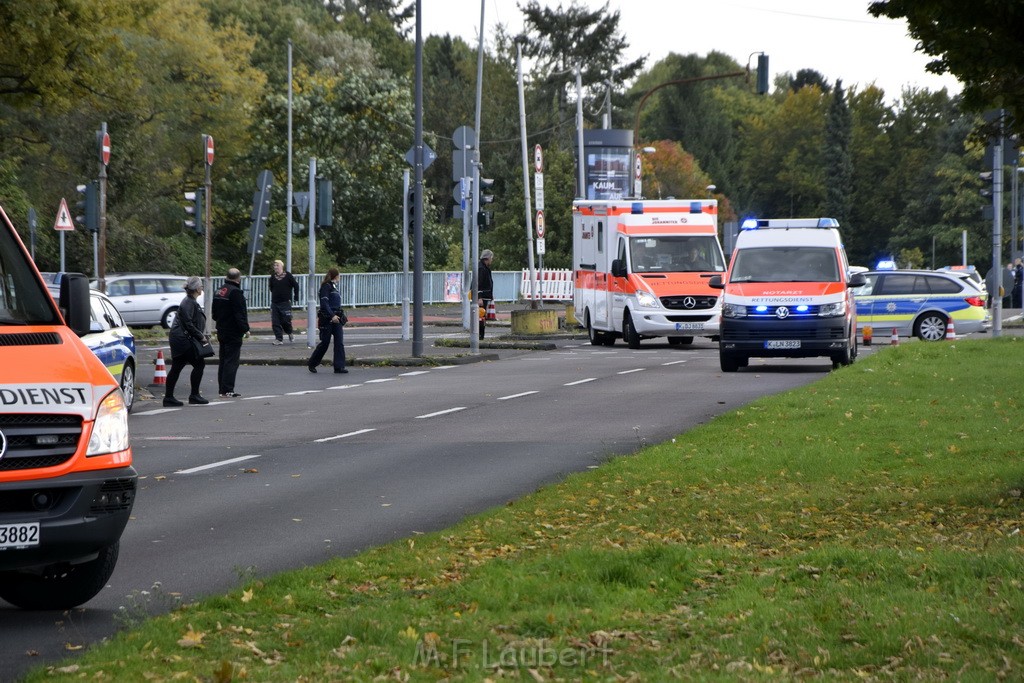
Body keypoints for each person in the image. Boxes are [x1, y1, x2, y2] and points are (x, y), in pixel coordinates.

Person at [163, 276, 210, 407]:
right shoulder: (189, 302)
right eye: (200, 286)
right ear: (196, 289)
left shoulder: (188, 301)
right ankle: (194, 395)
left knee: (177, 367)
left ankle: (169, 397)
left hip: (179, 339)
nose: (202, 288)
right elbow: (188, 324)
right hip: (183, 340)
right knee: (199, 364)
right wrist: (200, 336)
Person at [212, 267, 249, 398]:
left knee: (223, 360)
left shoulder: (219, 291)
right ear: (238, 279)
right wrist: (245, 329)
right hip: (233, 331)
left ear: (226, 276)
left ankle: (222, 388)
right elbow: (240, 314)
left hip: (221, 329)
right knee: (231, 361)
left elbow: (214, 314)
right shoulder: (236, 293)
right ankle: (228, 389)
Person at [308, 267, 347, 374]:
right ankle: (312, 363)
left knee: (339, 342)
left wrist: (338, 315)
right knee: (325, 342)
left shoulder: (335, 287)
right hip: (327, 319)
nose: (340, 277)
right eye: (339, 275)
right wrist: (332, 316)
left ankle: (339, 366)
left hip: (337, 318)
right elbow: (324, 304)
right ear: (336, 276)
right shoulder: (326, 287)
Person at [269, 259, 300, 345]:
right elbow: (271, 288)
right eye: (274, 266)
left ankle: (289, 332)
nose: (275, 267)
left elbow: (296, 285)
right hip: (275, 303)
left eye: (277, 265)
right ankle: (279, 339)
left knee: (285, 320)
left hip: (285, 302)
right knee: (275, 321)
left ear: (281, 266)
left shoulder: (288, 276)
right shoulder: (272, 277)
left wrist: (296, 296)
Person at [477, 249, 494, 340]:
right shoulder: (481, 269)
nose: (492, 260)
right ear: (487, 258)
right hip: (482, 297)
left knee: (482, 317)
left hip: (485, 296)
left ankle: (481, 335)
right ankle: (480, 336)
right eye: (491, 258)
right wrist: (479, 297)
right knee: (481, 317)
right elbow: (477, 284)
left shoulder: (484, 268)